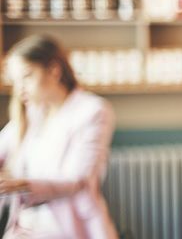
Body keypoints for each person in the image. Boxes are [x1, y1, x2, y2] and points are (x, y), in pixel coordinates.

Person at [0, 35, 117, 238]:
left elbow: (76, 180)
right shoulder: (31, 113)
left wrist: (22, 185)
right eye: (16, 81)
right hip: (26, 229)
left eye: (27, 76)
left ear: (54, 70)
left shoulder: (93, 110)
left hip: (69, 229)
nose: (19, 89)